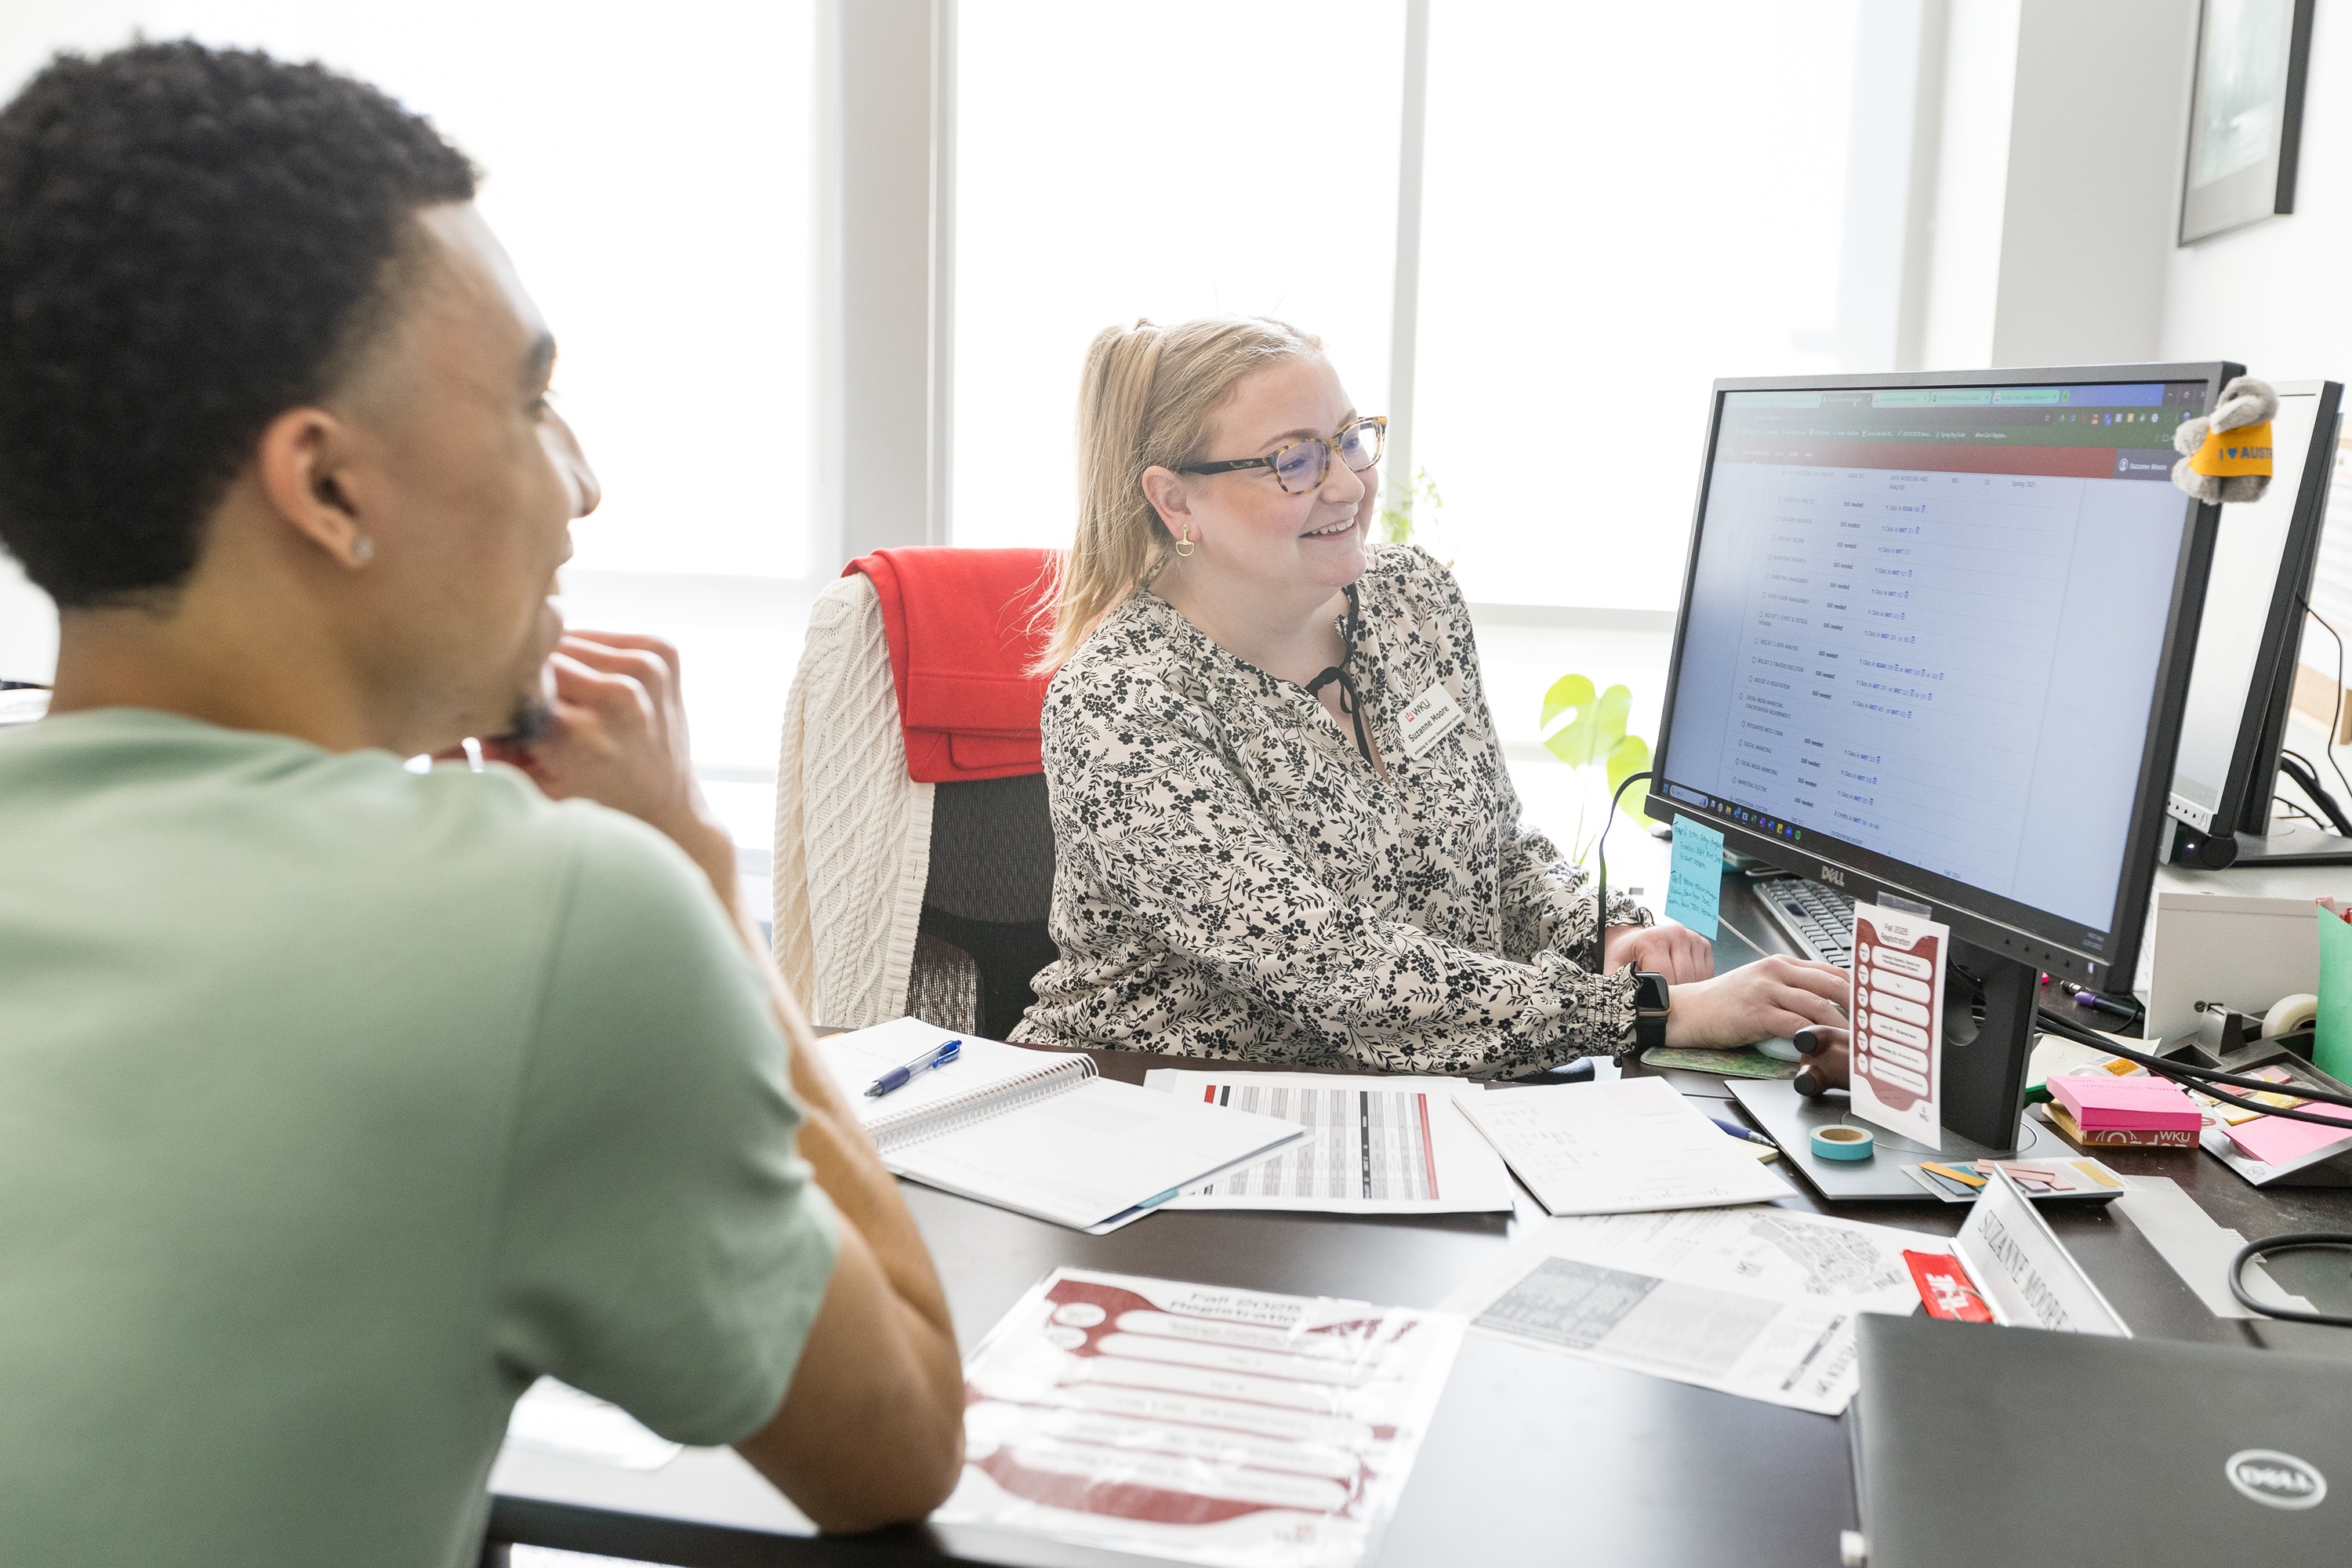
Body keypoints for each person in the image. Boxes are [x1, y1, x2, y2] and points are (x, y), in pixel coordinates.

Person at [0, 42, 960, 1564]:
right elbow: (902, 1435)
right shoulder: (552, 916)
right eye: (532, 404)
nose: (583, 486)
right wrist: (696, 884)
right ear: (326, 489)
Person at [1011, 317, 1853, 1075]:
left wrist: (1604, 937)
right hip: (1156, 1107)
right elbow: (1327, 967)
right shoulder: (1121, 702)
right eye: (1294, 460)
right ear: (1174, 499)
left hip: (1415, 1098)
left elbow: (1489, 850)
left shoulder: (1412, 601)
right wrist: (1648, 1013)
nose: (1345, 484)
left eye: (1349, 439)